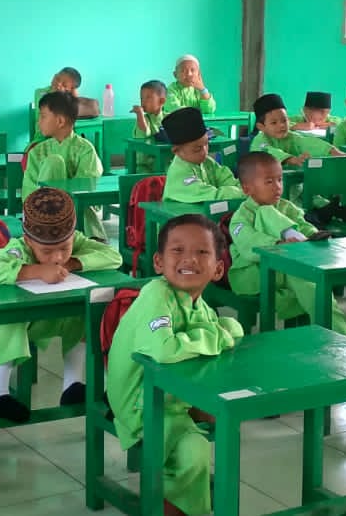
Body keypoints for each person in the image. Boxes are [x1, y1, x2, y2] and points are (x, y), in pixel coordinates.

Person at [106, 214, 243, 516]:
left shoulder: (200, 307)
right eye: (177, 250)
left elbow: (227, 331)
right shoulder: (156, 295)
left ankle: (183, 505)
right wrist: (217, 336)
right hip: (139, 405)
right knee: (189, 453)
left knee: (198, 450)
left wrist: (221, 332)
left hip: (171, 400)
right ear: (158, 262)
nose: (189, 259)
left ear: (218, 269)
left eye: (202, 252)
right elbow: (163, 349)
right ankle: (168, 503)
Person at [0, 188, 123, 423]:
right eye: (46, 251)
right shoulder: (19, 248)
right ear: (28, 240)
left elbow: (114, 257)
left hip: (52, 317)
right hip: (19, 322)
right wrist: (35, 271)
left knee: (86, 313)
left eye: (64, 248)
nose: (57, 257)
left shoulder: (75, 243)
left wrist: (74, 262)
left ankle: (72, 384)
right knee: (8, 318)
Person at [228, 152, 346, 333]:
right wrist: (277, 244)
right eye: (269, 182)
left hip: (287, 267)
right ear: (247, 189)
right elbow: (248, 245)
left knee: (314, 286)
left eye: (280, 179)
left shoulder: (286, 207)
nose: (277, 187)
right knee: (266, 212)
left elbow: (303, 224)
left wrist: (314, 235)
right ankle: (337, 336)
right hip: (254, 273)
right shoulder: (240, 218)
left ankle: (340, 338)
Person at [24, 91, 106, 239]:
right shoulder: (37, 151)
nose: (39, 122)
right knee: (54, 162)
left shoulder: (85, 149)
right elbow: (29, 191)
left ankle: (88, 237)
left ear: (60, 121)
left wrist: (63, 202)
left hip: (75, 210)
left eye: (43, 116)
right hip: (42, 211)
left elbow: (87, 189)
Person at [162, 108, 245, 203]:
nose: (204, 152)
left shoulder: (208, 162)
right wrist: (243, 193)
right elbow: (212, 195)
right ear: (177, 151)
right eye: (197, 149)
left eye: (206, 144)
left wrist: (246, 188)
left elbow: (227, 179)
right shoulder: (179, 173)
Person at [249, 93, 342, 165]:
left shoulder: (291, 137)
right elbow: (268, 151)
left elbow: (307, 142)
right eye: (274, 123)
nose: (281, 125)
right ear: (261, 127)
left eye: (284, 120)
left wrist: (332, 151)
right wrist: (291, 159)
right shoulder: (260, 140)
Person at [131, 80, 169, 173]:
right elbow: (144, 133)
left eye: (148, 98)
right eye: (141, 98)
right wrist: (139, 114)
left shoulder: (169, 118)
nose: (143, 102)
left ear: (162, 101)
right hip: (145, 164)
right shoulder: (143, 119)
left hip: (165, 162)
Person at [34, 67, 101, 118]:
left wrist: (74, 96)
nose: (58, 84)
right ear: (54, 75)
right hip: (44, 133)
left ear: (70, 91)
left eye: (64, 85)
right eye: (57, 78)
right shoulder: (40, 92)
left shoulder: (66, 99)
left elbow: (94, 109)